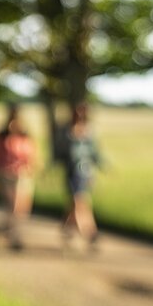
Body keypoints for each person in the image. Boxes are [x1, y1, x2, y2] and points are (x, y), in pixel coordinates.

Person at [0, 103, 38, 250]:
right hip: (6, 175)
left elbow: (32, 154)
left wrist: (31, 169)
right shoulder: (2, 135)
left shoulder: (25, 134)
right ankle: (15, 238)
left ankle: (5, 227)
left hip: (23, 175)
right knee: (14, 207)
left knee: (22, 209)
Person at [55, 103, 104, 250]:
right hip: (72, 173)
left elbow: (95, 153)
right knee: (79, 202)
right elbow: (60, 152)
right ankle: (90, 233)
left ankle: (67, 229)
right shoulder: (66, 131)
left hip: (85, 173)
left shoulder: (89, 132)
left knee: (78, 203)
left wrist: (103, 166)